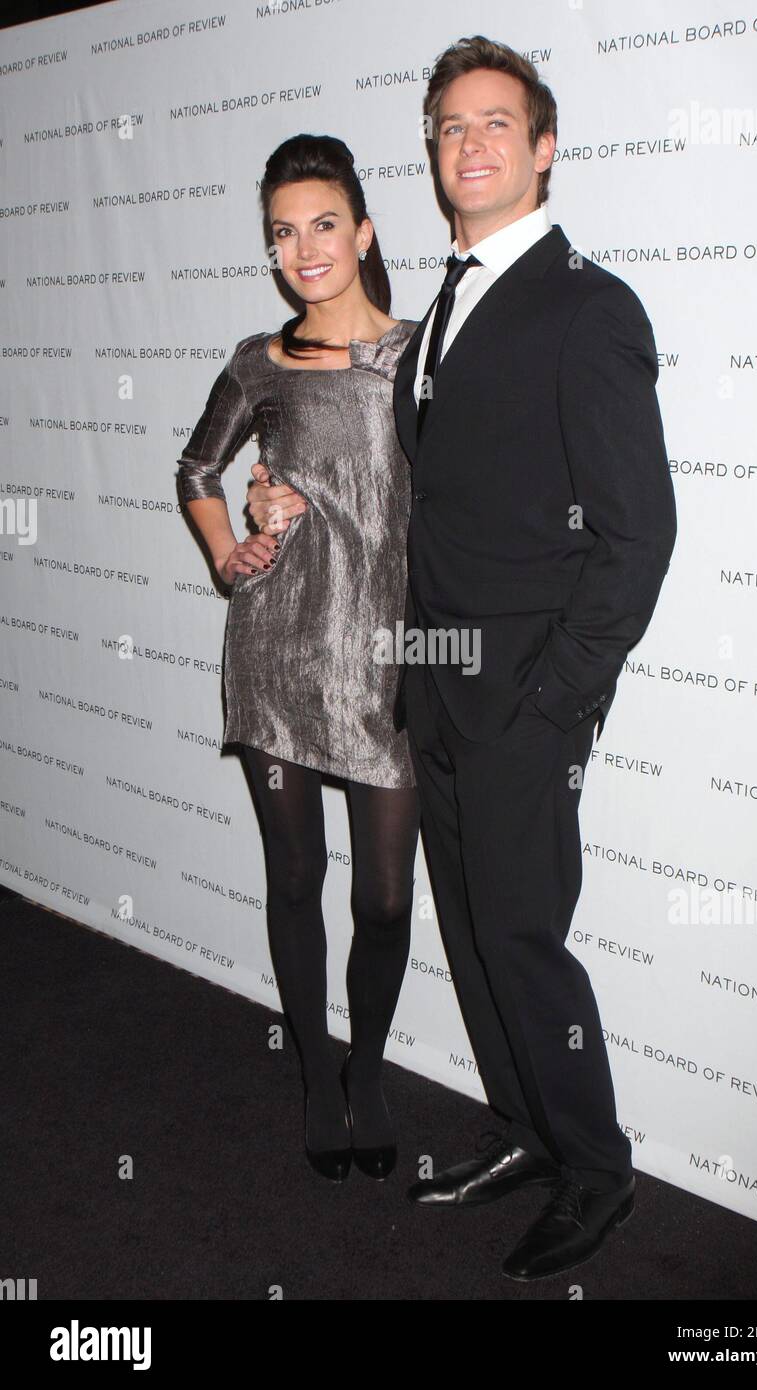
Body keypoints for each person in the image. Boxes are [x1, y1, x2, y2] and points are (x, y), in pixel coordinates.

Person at [390, 35, 677, 1281]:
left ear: (544, 148)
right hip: (437, 687)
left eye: (496, 123)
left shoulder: (587, 307)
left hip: (523, 708)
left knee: (522, 943)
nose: (473, 143)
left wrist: (557, 698)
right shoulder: (441, 305)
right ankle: (520, 1129)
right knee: (470, 934)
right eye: (451, 126)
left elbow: (637, 533)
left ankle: (598, 1172)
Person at [176, 134, 422, 1185]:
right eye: (283, 231)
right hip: (276, 650)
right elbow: (194, 466)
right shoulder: (257, 362)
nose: (303, 247)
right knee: (295, 876)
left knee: (384, 901)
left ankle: (368, 1065)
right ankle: (321, 1080)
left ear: (363, 232)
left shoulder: (423, 354)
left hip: (386, 658)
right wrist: (234, 542)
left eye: (323, 223)